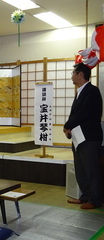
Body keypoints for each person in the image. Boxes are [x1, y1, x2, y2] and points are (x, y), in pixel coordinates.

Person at [64, 62, 103, 209]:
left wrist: (67, 125)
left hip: (89, 137)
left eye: (73, 73)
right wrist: (69, 128)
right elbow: (76, 114)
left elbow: (84, 113)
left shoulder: (92, 91)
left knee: (91, 169)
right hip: (78, 137)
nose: (72, 76)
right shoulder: (80, 91)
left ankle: (95, 200)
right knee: (81, 168)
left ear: (80, 75)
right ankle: (85, 196)